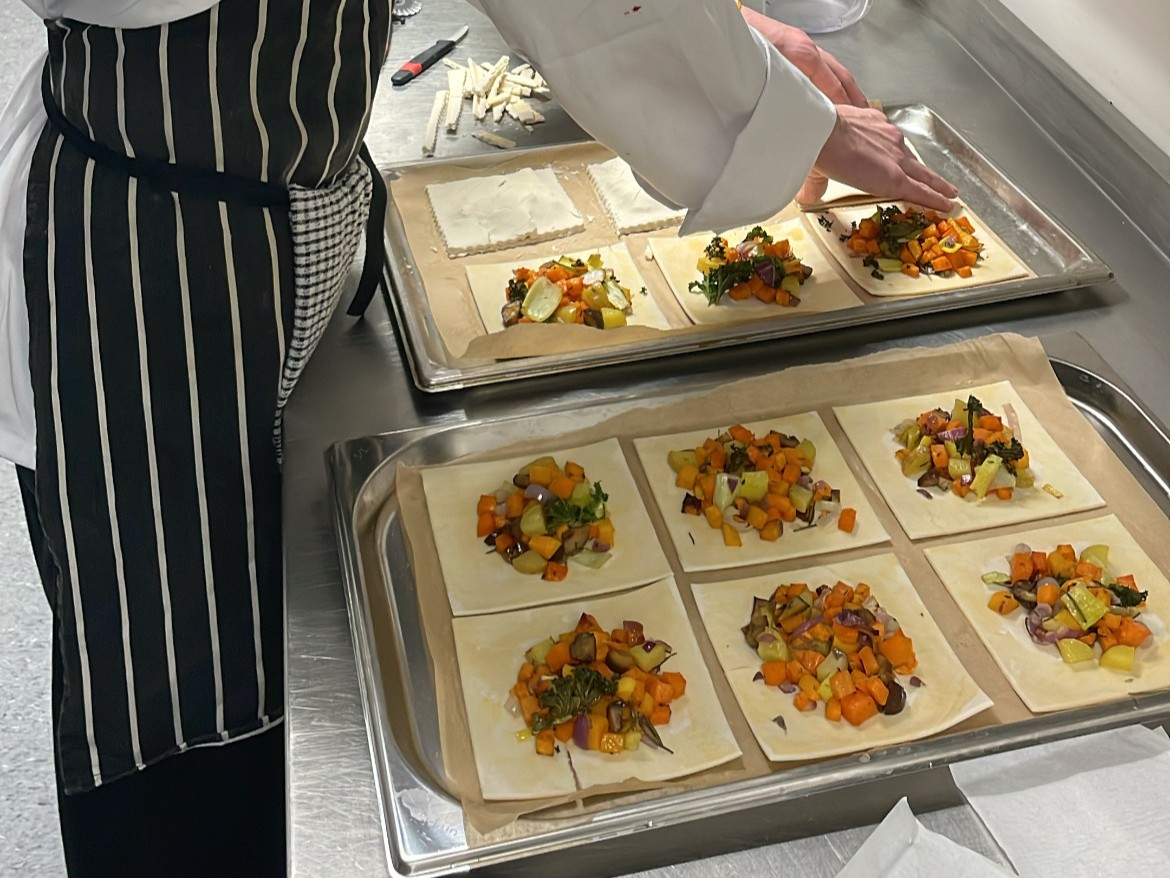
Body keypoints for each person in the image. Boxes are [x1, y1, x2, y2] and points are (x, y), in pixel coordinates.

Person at [0, 0, 953, 874]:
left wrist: (732, 44)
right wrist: (764, 105)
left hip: (290, 230)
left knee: (289, 618)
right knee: (184, 699)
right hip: (130, 277)